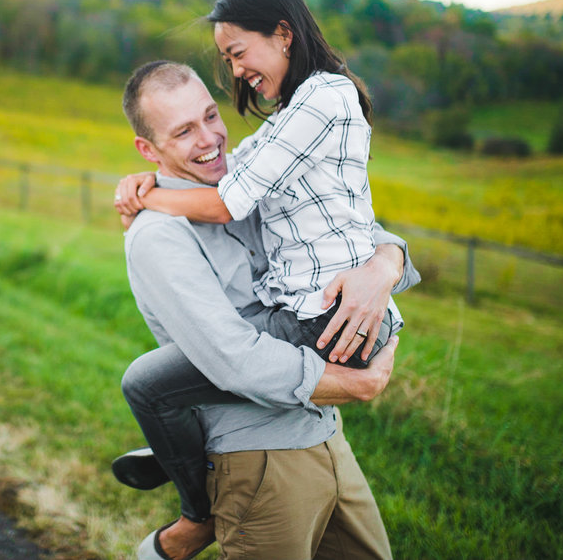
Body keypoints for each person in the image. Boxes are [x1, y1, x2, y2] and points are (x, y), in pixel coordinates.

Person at [113, 55, 419, 557]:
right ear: (148, 149)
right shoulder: (158, 235)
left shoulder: (256, 179)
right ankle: (186, 524)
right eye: (183, 131)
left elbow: (350, 234)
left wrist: (384, 266)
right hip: (256, 459)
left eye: (210, 116)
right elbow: (234, 358)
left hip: (325, 436)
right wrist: (356, 384)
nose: (210, 139)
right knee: (147, 385)